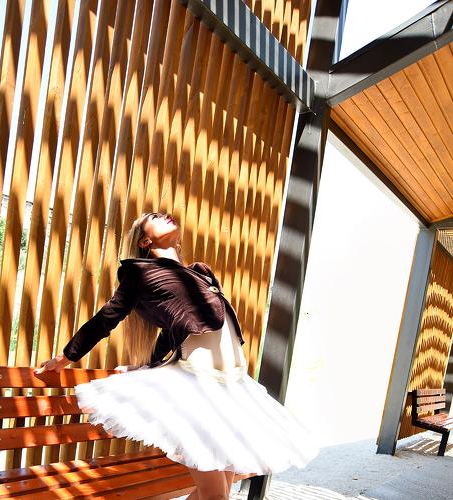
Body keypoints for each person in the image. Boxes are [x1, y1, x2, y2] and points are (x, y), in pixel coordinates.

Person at [34, 211, 318, 499]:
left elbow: (176, 328)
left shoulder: (199, 274)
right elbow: (108, 316)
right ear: (144, 241)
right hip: (196, 387)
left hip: (230, 387)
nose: (166, 215)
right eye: (155, 217)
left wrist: (150, 365)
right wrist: (65, 357)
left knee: (219, 489)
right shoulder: (139, 272)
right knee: (216, 494)